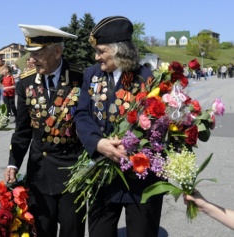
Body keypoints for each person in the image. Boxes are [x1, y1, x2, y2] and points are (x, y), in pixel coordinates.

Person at [74, 16, 163, 237]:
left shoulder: (147, 79)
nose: (96, 57)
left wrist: (134, 148)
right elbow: (82, 113)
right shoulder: (91, 74)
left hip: (140, 178)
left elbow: (159, 126)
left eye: (101, 51)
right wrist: (98, 143)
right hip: (101, 175)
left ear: (119, 50)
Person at [4, 24, 86, 237]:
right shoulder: (26, 82)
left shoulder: (80, 77)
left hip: (72, 171)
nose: (32, 59)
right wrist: (13, 162)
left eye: (38, 53)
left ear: (57, 51)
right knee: (41, 230)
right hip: (40, 170)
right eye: (31, 54)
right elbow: (22, 129)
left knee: (72, 230)